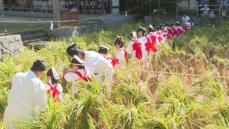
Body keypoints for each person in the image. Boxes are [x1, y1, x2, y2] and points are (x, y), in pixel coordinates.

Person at [3, 60, 47, 129]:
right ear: (39, 72)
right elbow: (40, 105)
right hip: (25, 118)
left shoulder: (17, 76)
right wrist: (39, 120)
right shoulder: (38, 83)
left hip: (10, 114)